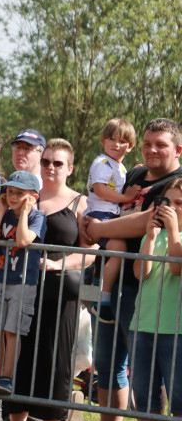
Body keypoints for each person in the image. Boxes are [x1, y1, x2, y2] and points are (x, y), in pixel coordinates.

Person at [77, 118, 182, 421]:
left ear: (177, 149)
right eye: (148, 143)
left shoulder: (176, 185)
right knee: (107, 364)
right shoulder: (135, 175)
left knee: (147, 374)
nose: (152, 150)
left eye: (160, 145)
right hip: (112, 283)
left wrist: (101, 226)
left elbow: (145, 220)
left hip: (147, 290)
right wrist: (91, 226)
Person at [0, 139, 93, 421]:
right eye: (46, 162)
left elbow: (92, 250)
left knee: (56, 358)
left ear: (70, 168)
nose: (50, 167)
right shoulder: (27, 198)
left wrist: (59, 262)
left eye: (58, 163)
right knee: (22, 353)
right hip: (23, 286)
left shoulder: (80, 202)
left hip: (62, 290)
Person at [121, 177, 182, 421]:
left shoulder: (176, 236)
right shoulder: (155, 235)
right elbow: (140, 271)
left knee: (179, 392)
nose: (172, 209)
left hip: (177, 326)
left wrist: (172, 231)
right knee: (144, 389)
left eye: (180, 204)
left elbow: (175, 265)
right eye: (167, 203)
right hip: (144, 321)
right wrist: (148, 235)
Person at [0, 171, 46, 397]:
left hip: (23, 282)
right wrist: (0, 211)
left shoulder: (37, 217)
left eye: (19, 193)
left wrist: (25, 212)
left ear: (33, 197)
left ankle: (6, 377)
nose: (13, 196)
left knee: (12, 331)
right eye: (9, 192)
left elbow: (23, 240)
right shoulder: (4, 215)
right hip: (0, 279)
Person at [82, 118, 140, 322]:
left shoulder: (119, 167)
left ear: (130, 147)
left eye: (122, 141)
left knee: (108, 254)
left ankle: (91, 283)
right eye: (112, 139)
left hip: (108, 214)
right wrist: (126, 198)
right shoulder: (102, 163)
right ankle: (102, 299)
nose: (116, 144)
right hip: (100, 214)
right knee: (118, 249)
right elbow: (100, 189)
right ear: (102, 141)